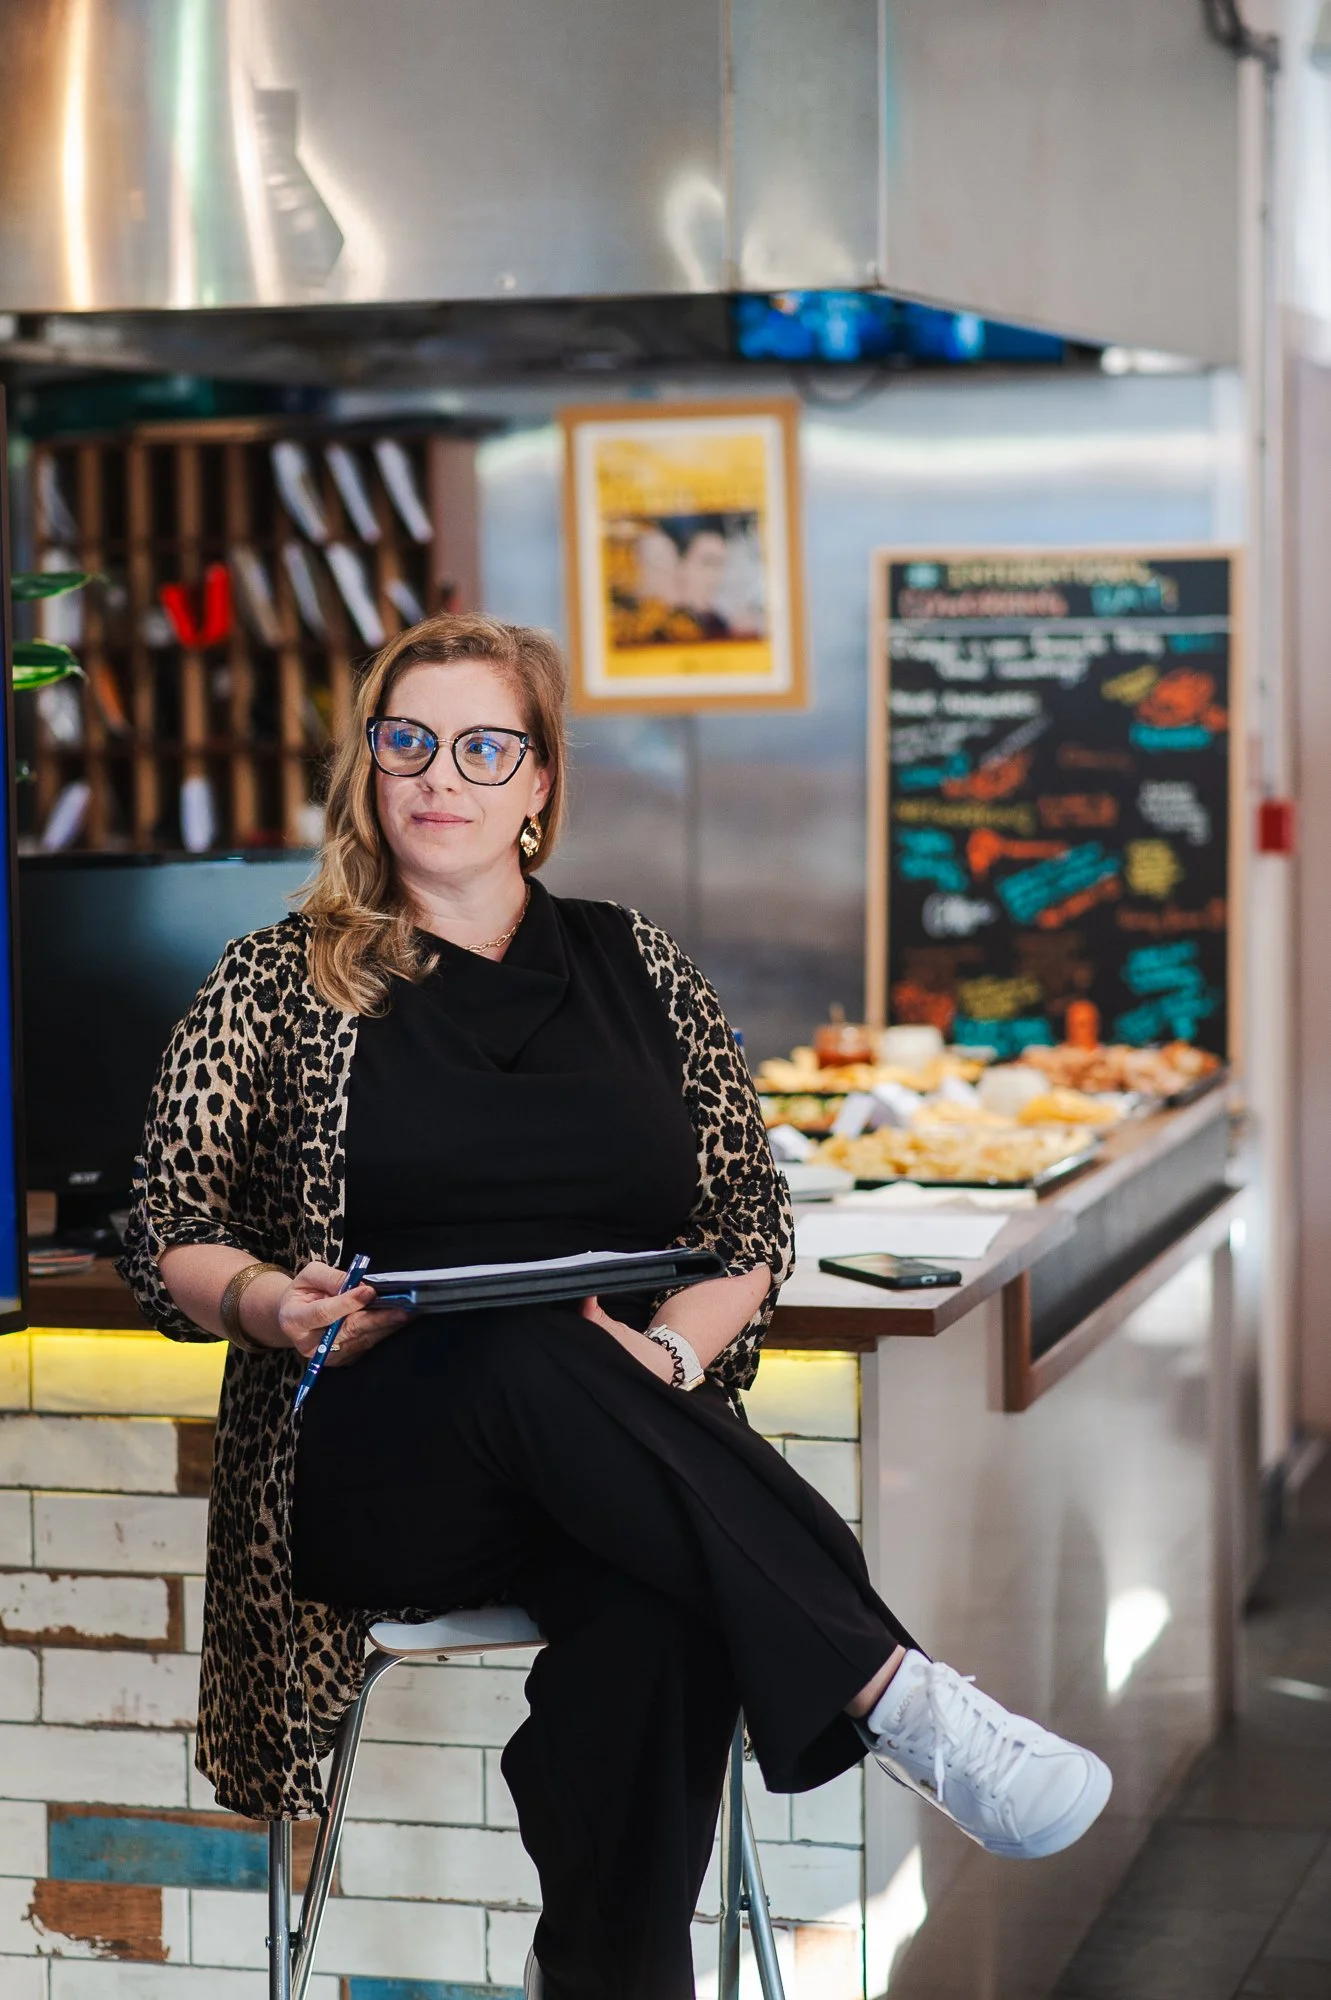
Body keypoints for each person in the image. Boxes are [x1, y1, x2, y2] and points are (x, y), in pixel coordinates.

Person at [118, 613, 1111, 2000]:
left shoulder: (634, 961)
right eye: (406, 741)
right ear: (368, 767)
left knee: (663, 1612)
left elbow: (745, 1225)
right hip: (382, 1455)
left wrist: (661, 1351)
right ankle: (892, 1691)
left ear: (538, 784)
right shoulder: (280, 980)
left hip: (609, 1441)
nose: (437, 777)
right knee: (522, 1346)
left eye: (482, 746)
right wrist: (279, 1304)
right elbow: (170, 1225)